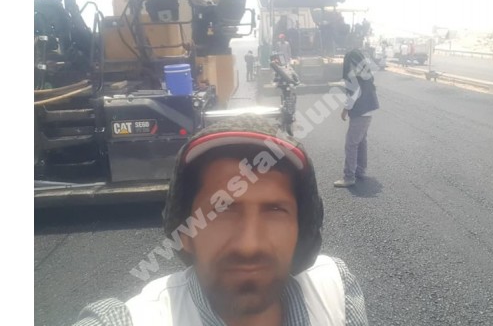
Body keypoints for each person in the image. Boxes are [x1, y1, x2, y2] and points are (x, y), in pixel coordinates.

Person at [73, 114, 369, 326]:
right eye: (220, 210)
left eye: (275, 211)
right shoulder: (129, 319)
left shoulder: (336, 290)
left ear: (300, 231)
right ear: (184, 232)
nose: (249, 245)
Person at [334, 49, 380, 188]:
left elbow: (354, 93)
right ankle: (360, 170)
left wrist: (345, 109)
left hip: (360, 112)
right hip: (368, 111)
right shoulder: (365, 74)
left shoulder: (354, 75)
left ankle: (349, 177)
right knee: (361, 142)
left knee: (351, 144)